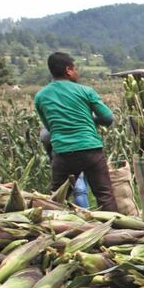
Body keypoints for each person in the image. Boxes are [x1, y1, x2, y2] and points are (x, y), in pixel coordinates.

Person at [34, 52, 118, 211]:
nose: (77, 72)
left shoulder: (40, 96)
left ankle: (52, 230)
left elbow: (50, 127)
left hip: (63, 153)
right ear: (68, 70)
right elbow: (107, 118)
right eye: (75, 68)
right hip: (90, 150)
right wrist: (90, 120)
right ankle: (116, 231)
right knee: (105, 196)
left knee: (56, 199)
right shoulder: (85, 91)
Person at [39, 126, 90, 208]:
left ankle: (84, 214)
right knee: (81, 189)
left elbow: (45, 138)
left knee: (79, 190)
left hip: (68, 155)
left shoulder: (54, 122)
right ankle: (85, 212)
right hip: (87, 148)